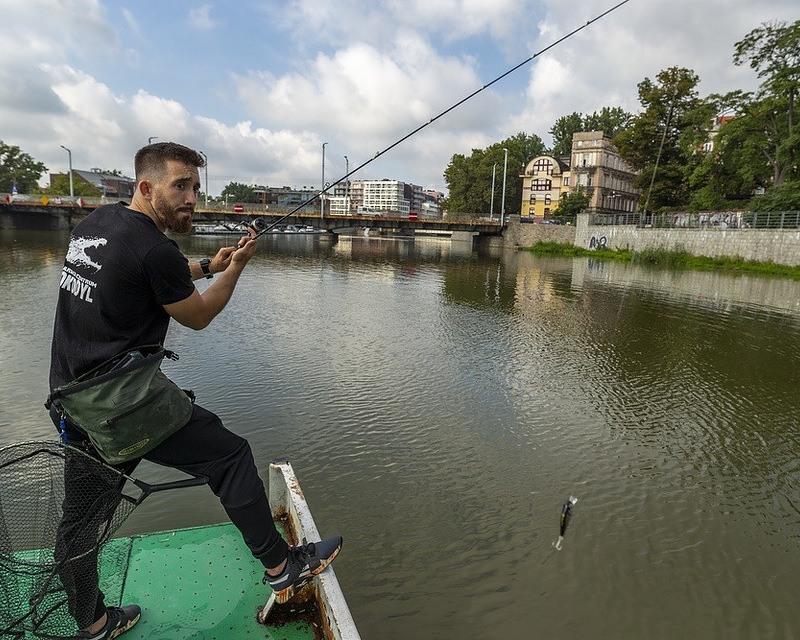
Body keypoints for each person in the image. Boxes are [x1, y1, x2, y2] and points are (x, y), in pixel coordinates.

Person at [47, 142, 342, 639]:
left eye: (195, 188)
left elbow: (146, 276)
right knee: (228, 456)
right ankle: (280, 566)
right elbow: (200, 316)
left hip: (73, 400)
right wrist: (236, 269)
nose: (191, 198)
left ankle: (94, 623)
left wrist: (208, 266)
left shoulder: (99, 225)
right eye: (179, 186)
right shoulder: (154, 248)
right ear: (146, 187)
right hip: (123, 404)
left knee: (77, 528)